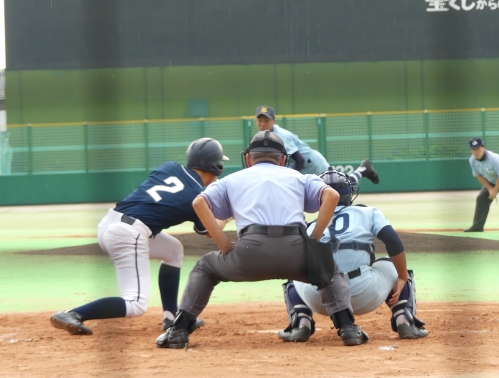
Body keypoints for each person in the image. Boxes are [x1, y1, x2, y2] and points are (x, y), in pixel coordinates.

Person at [157, 130, 368, 349]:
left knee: (205, 267)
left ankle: (179, 330)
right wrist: (313, 240)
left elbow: (199, 203)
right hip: (296, 252)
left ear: (249, 159)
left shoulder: (232, 179)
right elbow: (332, 195)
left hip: (249, 252)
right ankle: (348, 328)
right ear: (283, 160)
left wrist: (225, 245)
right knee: (328, 271)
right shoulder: (299, 177)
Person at [50, 138, 229, 335]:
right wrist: (228, 216)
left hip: (110, 223)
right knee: (135, 304)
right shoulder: (197, 196)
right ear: (216, 166)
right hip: (128, 234)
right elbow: (210, 232)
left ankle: (171, 320)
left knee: (173, 250)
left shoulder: (169, 167)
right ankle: (73, 314)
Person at [278, 168, 428, 343]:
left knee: (296, 269)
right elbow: (393, 241)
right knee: (392, 265)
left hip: (320, 299)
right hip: (365, 293)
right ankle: (405, 321)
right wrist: (402, 276)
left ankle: (301, 324)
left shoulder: (311, 226)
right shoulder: (368, 212)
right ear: (350, 193)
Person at [254, 105, 380, 185]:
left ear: (274, 121)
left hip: (313, 164)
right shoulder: (264, 137)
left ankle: (363, 170)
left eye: (266, 120)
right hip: (305, 168)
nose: (263, 124)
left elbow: (300, 160)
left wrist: (290, 179)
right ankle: (362, 170)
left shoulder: (282, 136)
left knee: (341, 187)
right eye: (260, 120)